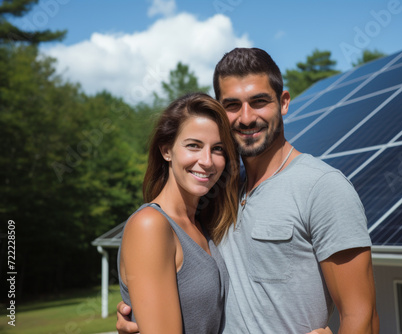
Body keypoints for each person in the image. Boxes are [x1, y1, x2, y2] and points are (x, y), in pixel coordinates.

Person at [117, 48, 379, 334]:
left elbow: (361, 316)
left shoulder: (323, 187)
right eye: (232, 105)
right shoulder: (217, 193)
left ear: (284, 102)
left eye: (259, 102)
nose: (246, 117)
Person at [117, 92, 240, 334]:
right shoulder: (150, 225)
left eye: (217, 149)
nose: (206, 161)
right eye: (193, 145)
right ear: (166, 151)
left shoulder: (201, 225)